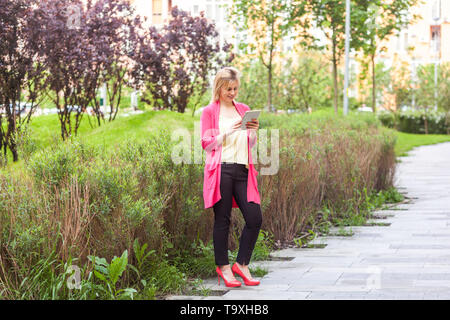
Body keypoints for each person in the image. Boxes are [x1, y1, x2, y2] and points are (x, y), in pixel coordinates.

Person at [200, 67, 262, 287]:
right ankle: (223, 267)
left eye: (235, 88)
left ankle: (242, 264)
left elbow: (250, 142)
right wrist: (228, 132)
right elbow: (206, 144)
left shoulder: (243, 109)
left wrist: (252, 131)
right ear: (219, 87)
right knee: (223, 220)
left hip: (243, 170)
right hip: (222, 170)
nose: (233, 93)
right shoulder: (209, 111)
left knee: (255, 218)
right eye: (228, 89)